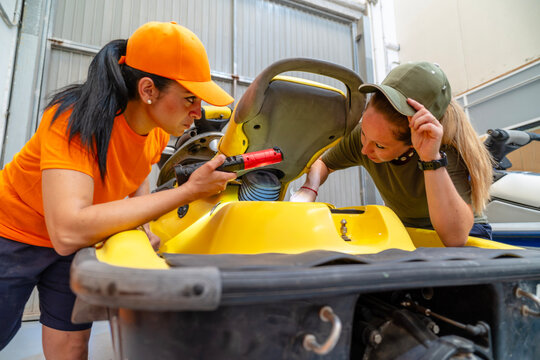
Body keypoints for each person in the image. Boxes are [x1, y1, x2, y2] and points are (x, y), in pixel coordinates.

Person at [0, 21, 236, 358]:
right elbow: (66, 229)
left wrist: (144, 225)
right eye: (188, 99)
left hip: (77, 242)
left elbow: (133, 172)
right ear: (147, 90)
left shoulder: (155, 131)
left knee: (72, 344)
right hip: (13, 234)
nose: (197, 113)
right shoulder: (72, 119)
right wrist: (189, 192)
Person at [291, 61, 493, 247]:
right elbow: (323, 163)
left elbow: (454, 238)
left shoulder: (446, 151)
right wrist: (310, 189)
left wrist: (430, 159)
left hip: (464, 237)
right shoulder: (366, 137)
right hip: (405, 230)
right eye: (363, 134)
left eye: (380, 146)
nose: (364, 150)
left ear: (414, 143)